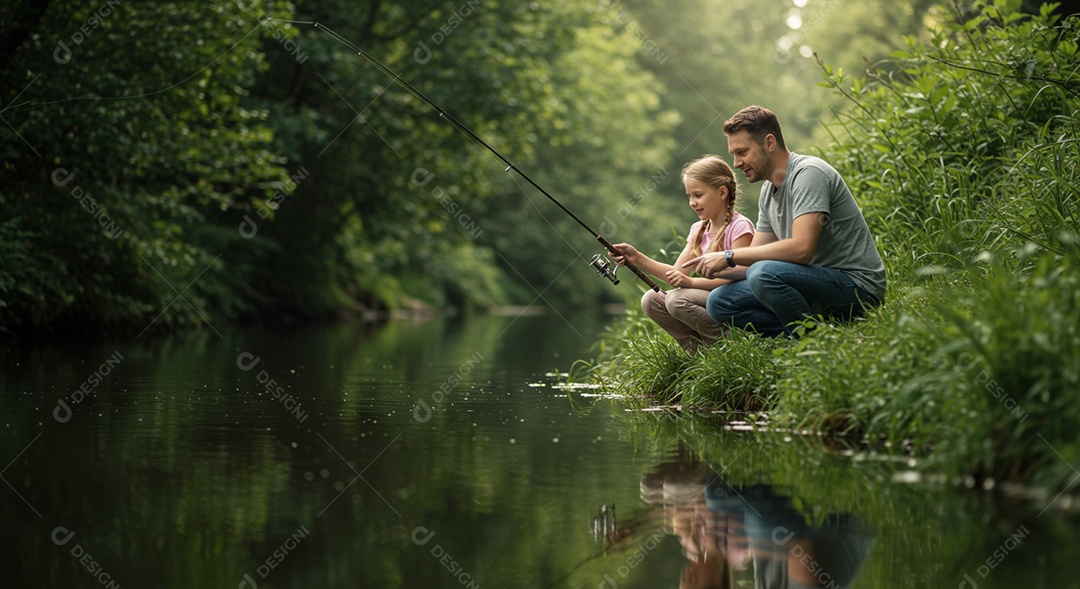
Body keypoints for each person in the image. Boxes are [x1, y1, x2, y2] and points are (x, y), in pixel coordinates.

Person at [684, 106, 886, 337]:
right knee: (719, 302)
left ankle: (811, 338)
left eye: (742, 152)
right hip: (813, 284)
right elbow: (751, 260)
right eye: (734, 155)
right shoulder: (767, 192)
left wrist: (729, 255)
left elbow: (802, 250)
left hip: (858, 288)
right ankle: (802, 331)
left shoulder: (809, 174)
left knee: (763, 273)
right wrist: (712, 268)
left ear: (769, 143)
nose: (736, 163)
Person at [612, 155, 754, 354]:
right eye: (689, 196)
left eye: (698, 195)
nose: (692, 203)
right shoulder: (698, 229)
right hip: (708, 295)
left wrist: (691, 282)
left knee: (676, 300)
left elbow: (739, 277)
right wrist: (636, 258)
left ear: (722, 192)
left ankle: (727, 345)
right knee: (651, 300)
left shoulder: (740, 226)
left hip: (732, 297)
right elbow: (676, 273)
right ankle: (697, 350)